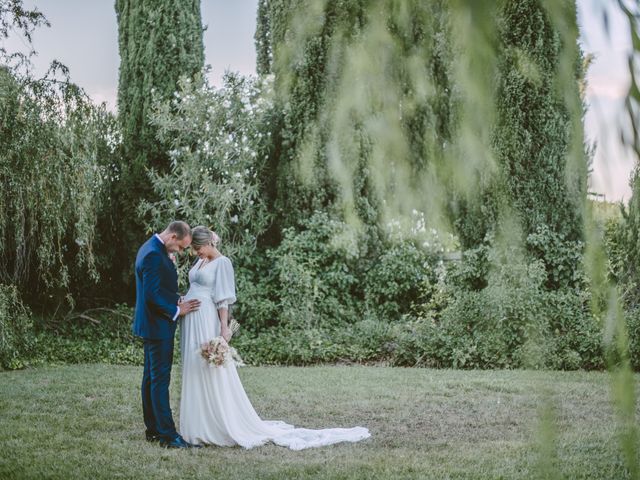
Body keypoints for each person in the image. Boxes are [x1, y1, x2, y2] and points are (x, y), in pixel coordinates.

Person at [179, 226, 370, 449]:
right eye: (193, 249)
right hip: (190, 320)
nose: (195, 252)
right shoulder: (200, 262)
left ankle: (213, 425)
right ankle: (195, 425)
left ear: (209, 243)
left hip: (205, 321)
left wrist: (224, 328)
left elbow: (223, 300)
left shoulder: (223, 263)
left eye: (198, 248)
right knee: (193, 367)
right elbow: (196, 286)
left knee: (208, 370)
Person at [132, 221, 202, 449]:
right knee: (159, 381)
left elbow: (159, 288)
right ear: (173, 237)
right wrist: (176, 310)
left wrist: (176, 298)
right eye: (181, 247)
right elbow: (151, 295)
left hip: (153, 325)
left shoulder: (151, 248)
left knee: (151, 379)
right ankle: (168, 436)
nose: (180, 252)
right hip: (158, 326)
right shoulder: (153, 254)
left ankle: (153, 429)